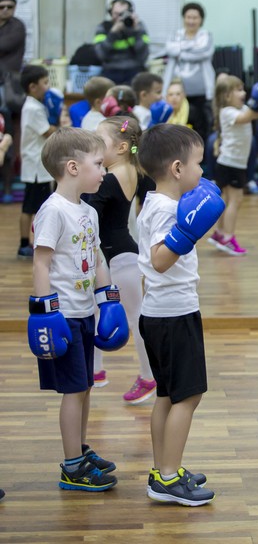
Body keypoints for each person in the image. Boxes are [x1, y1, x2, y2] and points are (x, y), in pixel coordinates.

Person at [30, 127, 128, 492]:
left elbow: (97, 255)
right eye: (98, 164)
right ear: (73, 167)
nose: (104, 172)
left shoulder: (87, 210)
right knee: (74, 390)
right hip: (64, 316)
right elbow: (41, 263)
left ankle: (80, 451)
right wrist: (45, 313)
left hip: (86, 311)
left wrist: (109, 299)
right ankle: (71, 466)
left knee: (85, 385)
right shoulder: (53, 211)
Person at [136, 123, 224, 506]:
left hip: (161, 313)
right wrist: (185, 233)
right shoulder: (168, 209)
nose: (202, 172)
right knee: (188, 397)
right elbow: (159, 261)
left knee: (168, 396)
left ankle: (163, 468)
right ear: (177, 168)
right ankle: (168, 479)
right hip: (172, 315)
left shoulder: (155, 203)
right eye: (198, 164)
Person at [83, 116, 156, 403]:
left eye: (100, 141)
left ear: (123, 146)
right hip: (117, 252)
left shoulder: (109, 179)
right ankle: (96, 370)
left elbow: (87, 216)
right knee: (97, 310)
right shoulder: (132, 171)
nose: (95, 146)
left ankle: (149, 377)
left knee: (136, 318)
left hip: (120, 257)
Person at [206, 75, 258, 255]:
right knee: (235, 200)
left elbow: (253, 113)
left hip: (231, 163)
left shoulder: (241, 108)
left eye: (243, 88)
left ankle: (219, 234)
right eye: (238, 90)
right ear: (227, 96)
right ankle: (228, 238)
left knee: (228, 201)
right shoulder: (227, 111)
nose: (243, 93)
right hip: (231, 164)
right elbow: (248, 116)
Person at [18, 64, 58, 259]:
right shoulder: (33, 108)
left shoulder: (33, 105)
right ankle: (26, 243)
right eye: (44, 82)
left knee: (33, 205)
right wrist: (61, 127)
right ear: (33, 87)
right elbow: (46, 131)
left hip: (35, 165)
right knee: (33, 206)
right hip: (36, 167)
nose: (47, 86)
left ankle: (29, 242)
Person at [161, 2, 214, 142]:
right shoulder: (175, 34)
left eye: (195, 18)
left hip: (200, 91)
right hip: (177, 90)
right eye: (188, 17)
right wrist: (192, 47)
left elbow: (204, 52)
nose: (191, 21)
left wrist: (180, 51)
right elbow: (170, 49)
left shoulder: (206, 35)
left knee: (200, 124)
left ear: (201, 19)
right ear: (183, 18)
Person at [0, 0, 26, 203]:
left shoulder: (17, 26)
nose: (6, 10)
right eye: (2, 7)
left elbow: (4, 46)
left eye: (10, 7)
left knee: (7, 140)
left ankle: (7, 188)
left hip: (6, 91)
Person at [93, 0, 149, 85]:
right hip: (110, 70)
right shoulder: (103, 27)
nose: (120, 17)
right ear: (110, 13)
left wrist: (136, 31)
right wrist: (112, 33)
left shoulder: (138, 27)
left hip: (134, 70)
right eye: (116, 14)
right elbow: (100, 55)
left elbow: (144, 55)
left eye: (123, 14)